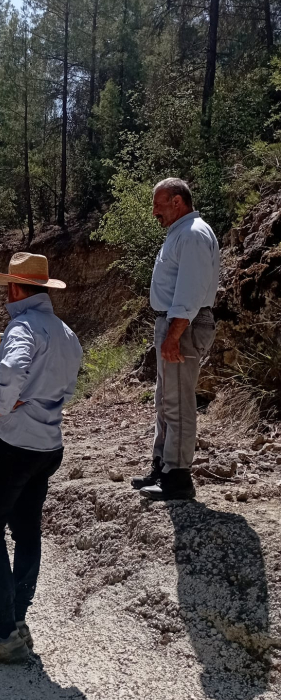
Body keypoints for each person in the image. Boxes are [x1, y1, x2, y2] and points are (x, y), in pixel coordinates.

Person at [0, 252, 82, 664]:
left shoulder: (23, 327)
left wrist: (2, 404)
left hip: (12, 447)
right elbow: (69, 386)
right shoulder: (66, 333)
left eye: (7, 289)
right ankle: (16, 620)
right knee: (27, 531)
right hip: (48, 447)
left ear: (14, 288)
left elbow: (12, 370)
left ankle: (4, 634)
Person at [132, 178, 220, 501]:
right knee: (165, 400)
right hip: (173, 323)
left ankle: (178, 476)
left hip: (184, 324)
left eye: (158, 204)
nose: (154, 212)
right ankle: (163, 466)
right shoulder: (181, 233)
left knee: (178, 401)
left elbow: (190, 291)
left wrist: (174, 334)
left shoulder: (193, 234)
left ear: (177, 201)